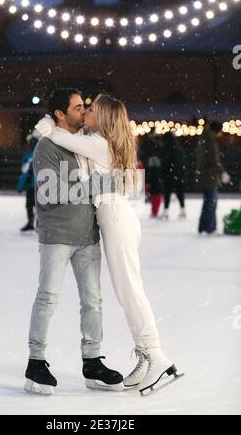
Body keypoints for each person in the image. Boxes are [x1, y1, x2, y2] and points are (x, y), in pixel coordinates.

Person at [36, 94, 182, 394]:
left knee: (129, 289)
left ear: (102, 118)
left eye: (91, 110)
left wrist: (48, 125)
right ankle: (147, 355)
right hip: (116, 219)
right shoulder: (102, 141)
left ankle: (153, 353)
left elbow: (60, 137)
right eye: (85, 108)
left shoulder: (98, 143)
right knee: (126, 289)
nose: (86, 112)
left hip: (115, 219)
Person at [25, 88, 123, 396]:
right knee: (48, 298)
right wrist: (98, 184)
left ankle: (92, 362)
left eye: (85, 106)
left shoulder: (85, 144)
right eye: (78, 107)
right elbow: (49, 194)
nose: (84, 111)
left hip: (87, 236)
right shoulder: (46, 148)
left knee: (93, 301)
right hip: (57, 236)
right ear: (60, 114)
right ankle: (36, 362)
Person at [196, 120, 224, 235]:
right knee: (211, 202)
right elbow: (214, 159)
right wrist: (222, 172)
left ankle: (204, 226)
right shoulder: (211, 140)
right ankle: (210, 227)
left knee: (208, 202)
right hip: (210, 176)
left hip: (205, 175)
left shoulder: (204, 138)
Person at [161, 132, 187, 221]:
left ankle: (166, 213)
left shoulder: (166, 150)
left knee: (167, 195)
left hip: (169, 176)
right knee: (180, 194)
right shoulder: (180, 150)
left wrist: (163, 175)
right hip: (179, 176)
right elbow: (183, 164)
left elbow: (165, 165)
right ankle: (183, 211)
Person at [17, 134, 38, 232]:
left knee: (33, 206)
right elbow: (24, 172)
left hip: (36, 185)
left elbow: (24, 172)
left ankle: (33, 223)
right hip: (36, 185)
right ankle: (33, 223)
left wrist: (20, 186)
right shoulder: (34, 155)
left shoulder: (31, 155)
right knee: (34, 206)